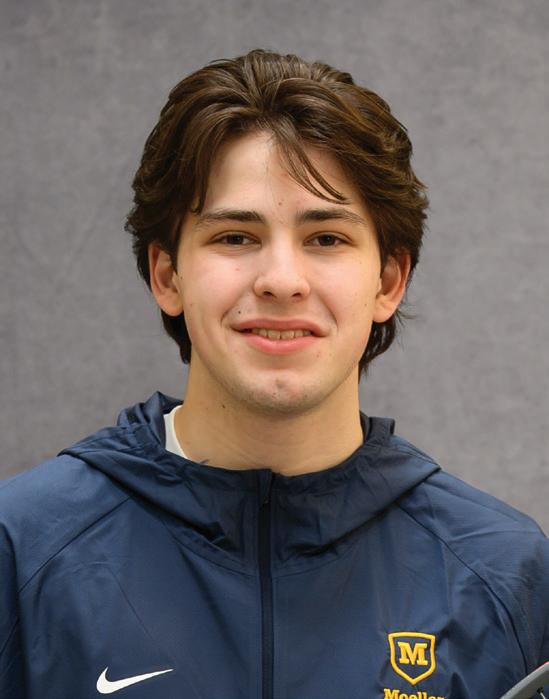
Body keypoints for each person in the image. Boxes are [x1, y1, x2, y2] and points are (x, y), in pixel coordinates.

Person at [1, 49, 547, 699]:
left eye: (326, 238)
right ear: (167, 275)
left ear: (388, 281)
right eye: (235, 236)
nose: (282, 280)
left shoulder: (503, 571)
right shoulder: (22, 549)